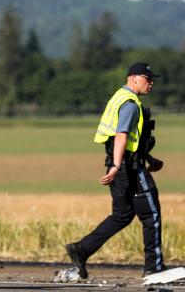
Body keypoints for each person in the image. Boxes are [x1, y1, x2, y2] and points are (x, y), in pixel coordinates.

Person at [65, 62, 164, 279]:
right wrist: (118, 165)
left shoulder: (119, 96)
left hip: (122, 165)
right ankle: (154, 268)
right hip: (129, 168)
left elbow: (129, 141)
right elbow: (121, 135)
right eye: (148, 79)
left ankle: (81, 249)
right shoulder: (129, 103)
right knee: (151, 214)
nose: (151, 83)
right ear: (134, 78)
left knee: (122, 215)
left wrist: (148, 157)